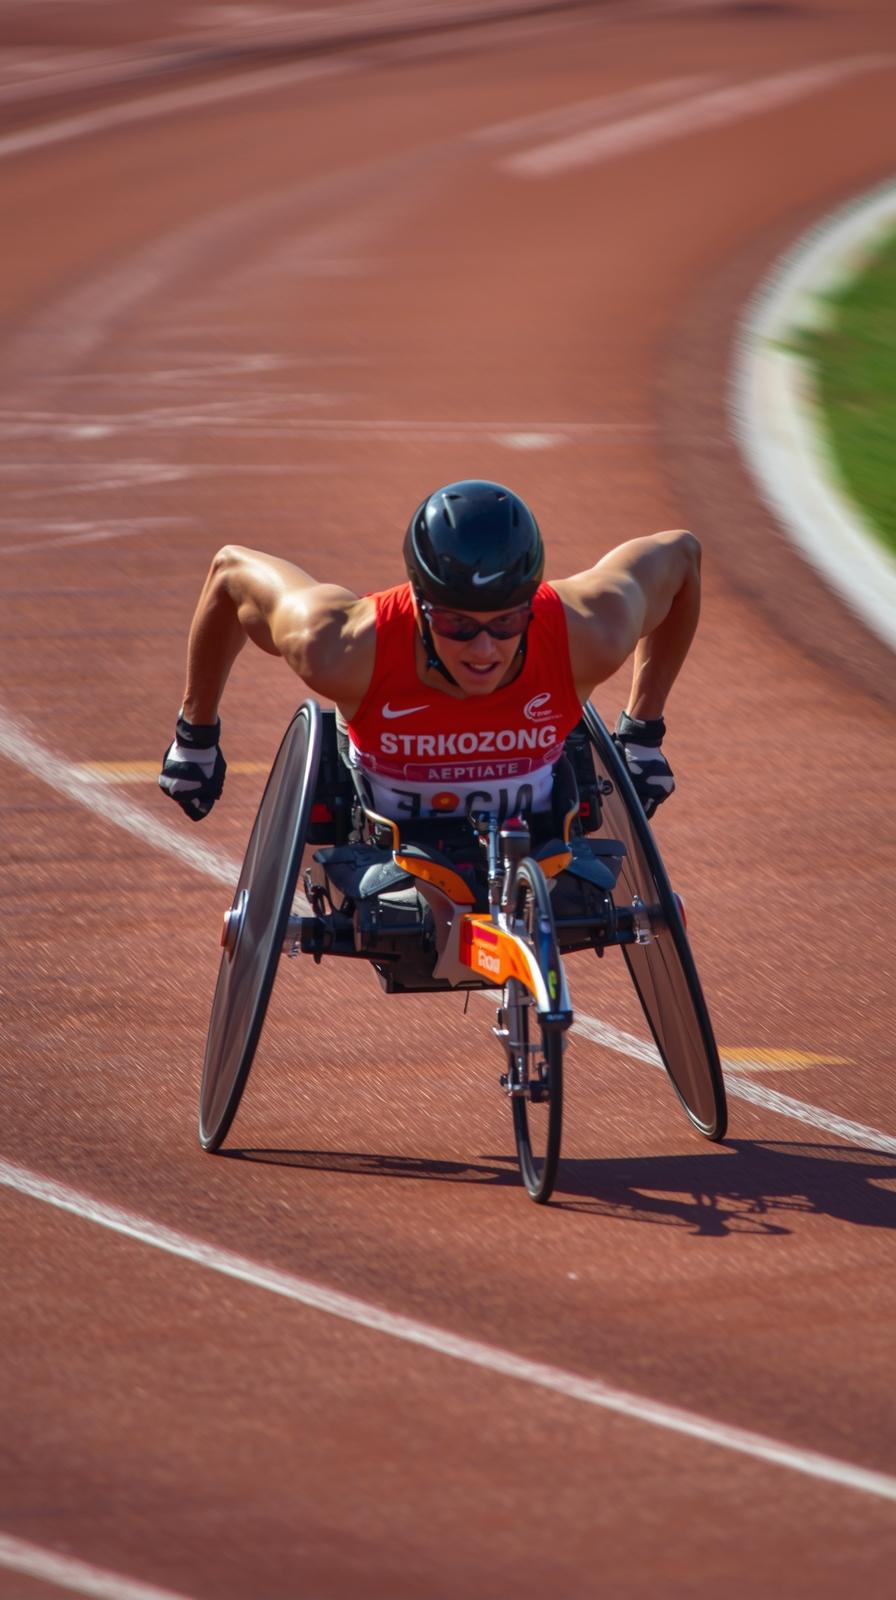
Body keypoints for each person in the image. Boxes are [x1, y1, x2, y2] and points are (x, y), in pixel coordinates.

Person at [159, 480, 699, 830]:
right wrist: (196, 736)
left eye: (506, 622)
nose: (484, 649)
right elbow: (231, 572)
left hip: (534, 833)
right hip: (385, 835)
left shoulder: (592, 631)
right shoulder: (337, 646)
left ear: (531, 604)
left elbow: (681, 554)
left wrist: (642, 733)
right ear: (420, 606)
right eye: (457, 626)